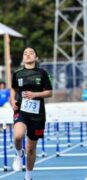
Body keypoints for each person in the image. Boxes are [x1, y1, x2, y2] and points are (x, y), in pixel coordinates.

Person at [10, 47, 53, 180]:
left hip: (37, 114)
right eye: (25, 53)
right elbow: (13, 88)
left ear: (36, 57)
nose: (28, 55)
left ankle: (28, 176)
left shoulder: (42, 73)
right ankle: (19, 154)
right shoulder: (17, 74)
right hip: (22, 110)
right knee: (18, 136)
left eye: (31, 53)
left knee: (31, 149)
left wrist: (35, 94)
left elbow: (49, 92)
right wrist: (12, 101)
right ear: (23, 58)